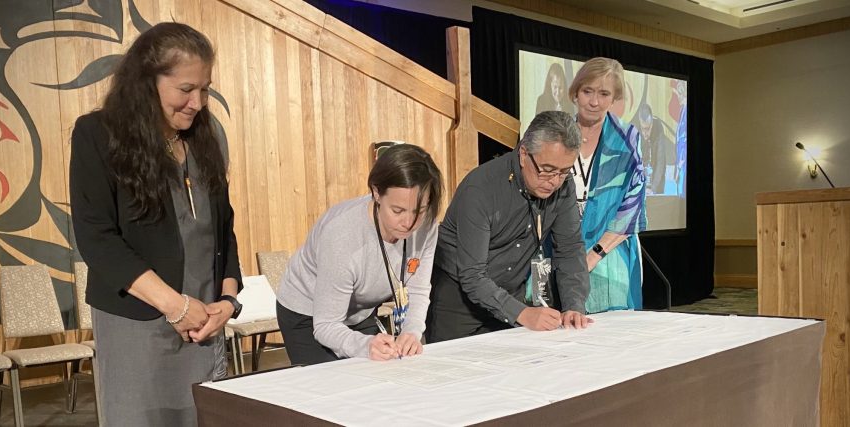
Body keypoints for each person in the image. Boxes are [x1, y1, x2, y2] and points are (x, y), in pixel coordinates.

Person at [69, 23, 242, 427]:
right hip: (139, 322)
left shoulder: (205, 136)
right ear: (147, 81)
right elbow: (97, 239)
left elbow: (223, 230)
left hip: (204, 322)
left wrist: (227, 301)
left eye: (205, 89)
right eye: (186, 89)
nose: (197, 102)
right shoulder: (97, 134)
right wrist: (175, 306)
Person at [425, 111, 591, 343]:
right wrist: (522, 313)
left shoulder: (563, 186)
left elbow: (570, 248)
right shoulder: (480, 189)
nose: (554, 181)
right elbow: (472, 275)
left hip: (511, 297)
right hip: (459, 301)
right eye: (547, 169)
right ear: (523, 154)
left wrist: (574, 305)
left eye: (564, 172)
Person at [276, 144, 443, 365]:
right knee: (333, 382)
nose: (409, 223)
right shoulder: (342, 235)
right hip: (309, 313)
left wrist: (411, 332)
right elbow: (326, 325)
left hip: (361, 310)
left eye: (419, 211)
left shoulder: (427, 224)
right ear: (376, 193)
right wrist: (364, 345)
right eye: (398, 211)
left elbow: (418, 289)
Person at [567, 57, 647, 313]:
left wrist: (593, 257)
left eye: (604, 94)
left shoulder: (627, 139)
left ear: (614, 98)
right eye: (587, 91)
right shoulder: (556, 133)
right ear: (576, 92)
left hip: (610, 252)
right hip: (560, 248)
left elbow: (632, 207)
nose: (594, 101)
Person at [633, 103, 674, 195]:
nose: (645, 133)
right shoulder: (634, 128)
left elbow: (661, 161)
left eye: (648, 128)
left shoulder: (658, 126)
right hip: (640, 181)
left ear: (652, 122)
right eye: (643, 129)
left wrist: (653, 188)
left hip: (657, 181)